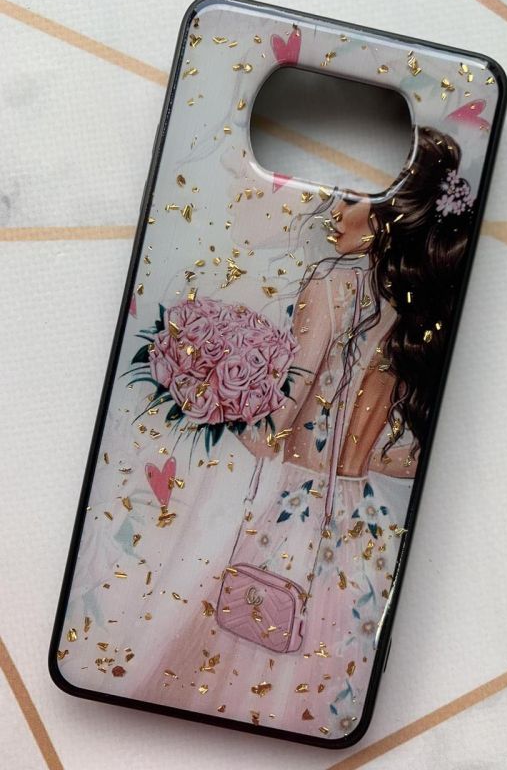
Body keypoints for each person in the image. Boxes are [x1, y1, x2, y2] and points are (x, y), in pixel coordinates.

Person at [135, 126, 474, 739]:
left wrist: (208, 389)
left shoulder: (331, 285)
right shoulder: (421, 313)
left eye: (351, 197)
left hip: (293, 523)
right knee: (327, 682)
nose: (333, 211)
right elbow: (400, 459)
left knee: (237, 678)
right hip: (365, 534)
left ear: (391, 214)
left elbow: (272, 435)